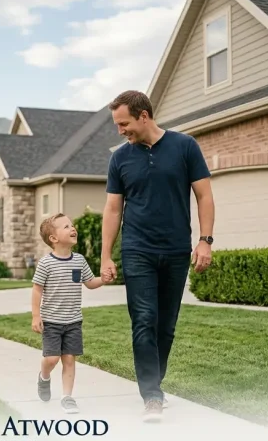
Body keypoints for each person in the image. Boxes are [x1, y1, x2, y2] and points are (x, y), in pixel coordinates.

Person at [101, 90, 215, 423]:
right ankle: (151, 394)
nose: (121, 130)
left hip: (177, 249)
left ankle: (155, 385)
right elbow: (112, 208)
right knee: (144, 320)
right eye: (118, 125)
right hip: (137, 250)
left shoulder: (185, 146)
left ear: (143, 115)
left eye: (124, 123)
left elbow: (204, 195)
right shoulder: (120, 158)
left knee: (165, 325)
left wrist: (205, 240)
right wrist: (107, 255)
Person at [32, 212, 112, 414]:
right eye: (66, 226)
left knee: (69, 360)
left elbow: (90, 283)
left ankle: (67, 397)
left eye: (72, 224)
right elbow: (37, 289)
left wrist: (103, 279)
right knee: (51, 359)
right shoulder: (46, 263)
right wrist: (36, 315)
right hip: (51, 321)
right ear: (53, 238)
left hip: (73, 321)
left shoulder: (79, 260)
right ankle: (44, 376)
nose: (72, 228)